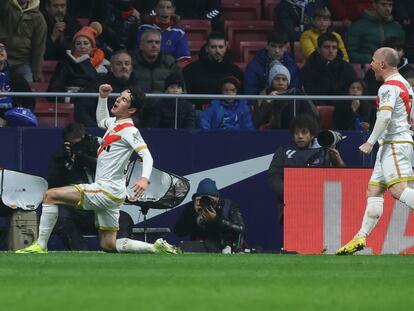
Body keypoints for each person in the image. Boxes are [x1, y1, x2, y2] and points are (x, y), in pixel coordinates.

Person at [16, 84, 180, 254]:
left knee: (50, 195)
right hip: (113, 193)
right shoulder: (115, 124)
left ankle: (40, 245)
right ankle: (155, 248)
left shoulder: (129, 130)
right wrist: (102, 97)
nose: (118, 99)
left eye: (124, 99)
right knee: (108, 244)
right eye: (120, 96)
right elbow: (102, 120)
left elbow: (147, 155)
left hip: (106, 190)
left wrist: (144, 178)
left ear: (131, 110)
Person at [336, 47, 414, 255]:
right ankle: (360, 237)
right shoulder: (405, 84)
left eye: (373, 60)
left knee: (398, 191)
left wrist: (370, 142)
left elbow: (385, 117)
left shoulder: (388, 87)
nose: (370, 64)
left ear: (383, 64)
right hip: (393, 144)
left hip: (395, 144)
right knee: (374, 191)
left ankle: (360, 235)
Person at [47, 123, 133, 250]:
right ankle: (81, 252)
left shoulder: (98, 150)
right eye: (73, 143)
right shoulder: (61, 156)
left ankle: (117, 251)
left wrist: (84, 157)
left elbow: (110, 169)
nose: (77, 146)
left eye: (80, 142)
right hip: (75, 210)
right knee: (60, 217)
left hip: (98, 208)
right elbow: (52, 185)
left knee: (124, 219)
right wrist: (64, 162)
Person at [267, 114, 345, 224]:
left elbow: (343, 179)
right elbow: (273, 176)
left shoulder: (325, 151)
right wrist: (290, 193)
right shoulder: (283, 150)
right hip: (291, 204)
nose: (299, 136)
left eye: (304, 132)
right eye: (296, 132)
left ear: (312, 134)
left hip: (320, 205)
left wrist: (338, 161)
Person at [174, 178, 245, 253]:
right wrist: (193, 214)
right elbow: (179, 232)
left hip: (224, 247)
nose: (206, 202)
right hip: (199, 247)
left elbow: (241, 229)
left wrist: (216, 220)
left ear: (217, 198)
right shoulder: (192, 207)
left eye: (209, 199)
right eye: (202, 199)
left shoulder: (228, 206)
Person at [74, 49, 141, 127]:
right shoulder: (99, 85)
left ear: (131, 68)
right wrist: (95, 128)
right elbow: (81, 109)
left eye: (127, 63)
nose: (123, 66)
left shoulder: (140, 86)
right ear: (111, 68)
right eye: (119, 64)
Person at [46, 22, 109, 100]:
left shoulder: (103, 66)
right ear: (74, 47)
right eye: (78, 44)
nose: (82, 46)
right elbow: (53, 90)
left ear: (92, 47)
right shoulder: (64, 65)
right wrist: (69, 97)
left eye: (86, 43)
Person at [183, 32, 243, 109]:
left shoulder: (235, 71)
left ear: (226, 48)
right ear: (207, 49)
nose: (217, 51)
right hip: (199, 112)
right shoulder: (190, 70)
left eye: (221, 47)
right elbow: (186, 98)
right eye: (213, 47)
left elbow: (240, 98)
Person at [253, 61, 318, 130]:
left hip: (298, 131)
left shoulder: (297, 94)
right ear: (271, 81)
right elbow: (256, 122)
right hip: (273, 132)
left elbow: (314, 117)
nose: (280, 83)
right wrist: (267, 102)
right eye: (277, 79)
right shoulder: (263, 96)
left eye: (284, 79)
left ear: (288, 82)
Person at [300, 32, 358, 105]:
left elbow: (355, 88)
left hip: (344, 106)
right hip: (316, 107)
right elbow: (310, 93)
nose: (331, 51)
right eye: (327, 47)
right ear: (319, 50)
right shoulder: (308, 68)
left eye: (334, 47)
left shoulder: (346, 67)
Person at [345, 0, 405, 65]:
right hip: (367, 67)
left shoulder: (396, 27)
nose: (388, 8)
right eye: (383, 4)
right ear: (374, 5)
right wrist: (373, 59)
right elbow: (350, 52)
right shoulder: (358, 26)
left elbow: (403, 49)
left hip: (395, 67)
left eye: (390, 5)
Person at [0, 0, 47, 82]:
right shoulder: (6, 7)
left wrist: (37, 73)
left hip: (23, 63)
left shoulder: (38, 18)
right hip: (2, 60)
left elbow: (39, 49)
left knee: (27, 89)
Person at [244, 30, 301, 96]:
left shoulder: (292, 66)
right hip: (262, 103)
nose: (277, 51)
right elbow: (250, 93)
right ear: (267, 46)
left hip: (287, 104)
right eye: (273, 46)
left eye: (280, 47)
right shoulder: (254, 66)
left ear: (286, 47)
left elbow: (296, 91)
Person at [132, 28, 181, 93]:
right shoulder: (130, 63)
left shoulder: (170, 63)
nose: (154, 45)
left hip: (165, 102)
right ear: (141, 45)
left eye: (157, 42)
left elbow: (181, 90)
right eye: (150, 42)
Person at [0, 41, 36, 128]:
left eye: (2, 48)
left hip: (10, 126)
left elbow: (30, 102)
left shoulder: (15, 77)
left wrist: (11, 120)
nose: (0, 51)